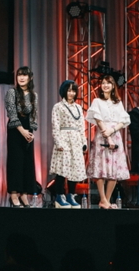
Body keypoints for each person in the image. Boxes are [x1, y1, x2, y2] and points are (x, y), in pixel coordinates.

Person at [86, 75, 131, 209]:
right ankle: (103, 199)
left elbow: (123, 120)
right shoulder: (97, 101)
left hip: (115, 134)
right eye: (103, 83)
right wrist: (108, 135)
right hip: (102, 134)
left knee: (114, 169)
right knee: (100, 168)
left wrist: (113, 130)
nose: (105, 85)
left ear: (113, 86)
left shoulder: (118, 102)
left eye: (108, 83)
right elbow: (98, 119)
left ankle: (107, 199)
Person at [49, 80, 87, 208]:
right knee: (62, 169)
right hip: (64, 139)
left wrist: (83, 142)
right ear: (64, 91)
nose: (71, 93)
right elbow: (55, 126)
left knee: (75, 169)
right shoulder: (58, 107)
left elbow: (81, 127)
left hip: (76, 140)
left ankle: (71, 195)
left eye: (73, 91)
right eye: (69, 90)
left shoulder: (78, 108)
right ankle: (59, 196)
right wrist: (58, 142)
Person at [5, 66, 38, 207]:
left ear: (30, 78)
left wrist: (31, 133)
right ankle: (13, 194)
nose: (21, 78)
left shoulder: (33, 95)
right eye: (19, 75)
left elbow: (33, 116)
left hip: (28, 131)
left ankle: (24, 194)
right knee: (15, 162)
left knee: (27, 163)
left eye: (24, 75)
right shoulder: (12, 93)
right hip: (15, 130)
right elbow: (12, 114)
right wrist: (23, 131)